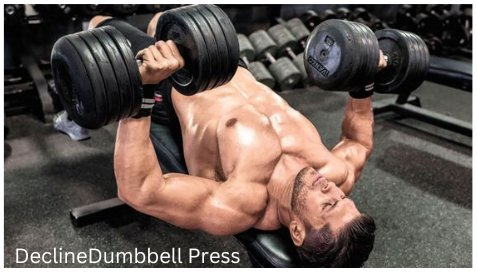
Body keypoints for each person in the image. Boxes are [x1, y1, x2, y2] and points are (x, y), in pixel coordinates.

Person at [89, 12, 383, 267]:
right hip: (225, 63)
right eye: (344, 198)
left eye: (329, 205)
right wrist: (365, 80)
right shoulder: (334, 174)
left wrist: (143, 91)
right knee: (165, 20)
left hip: (173, 82)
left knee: (101, 27)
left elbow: (140, 191)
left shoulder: (241, 203)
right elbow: (358, 144)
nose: (332, 190)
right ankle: (156, 26)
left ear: (297, 231)